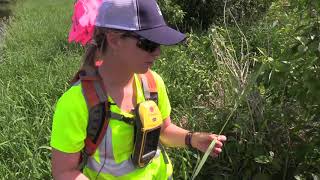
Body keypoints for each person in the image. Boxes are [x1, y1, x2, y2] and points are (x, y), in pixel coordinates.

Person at [50, 0, 227, 179]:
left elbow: (164, 131)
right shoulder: (76, 103)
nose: (157, 52)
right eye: (148, 43)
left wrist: (192, 138)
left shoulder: (152, 83)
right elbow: (65, 172)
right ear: (114, 39)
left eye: (159, 43)